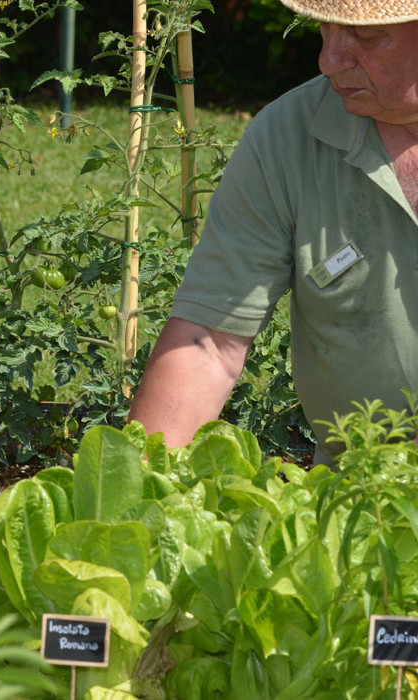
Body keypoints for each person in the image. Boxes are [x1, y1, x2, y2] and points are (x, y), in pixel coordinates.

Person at [128, 0, 418, 467]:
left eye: (364, 35)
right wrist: (134, 488)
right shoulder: (288, 136)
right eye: (326, 27)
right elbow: (210, 343)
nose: (329, 59)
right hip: (359, 498)